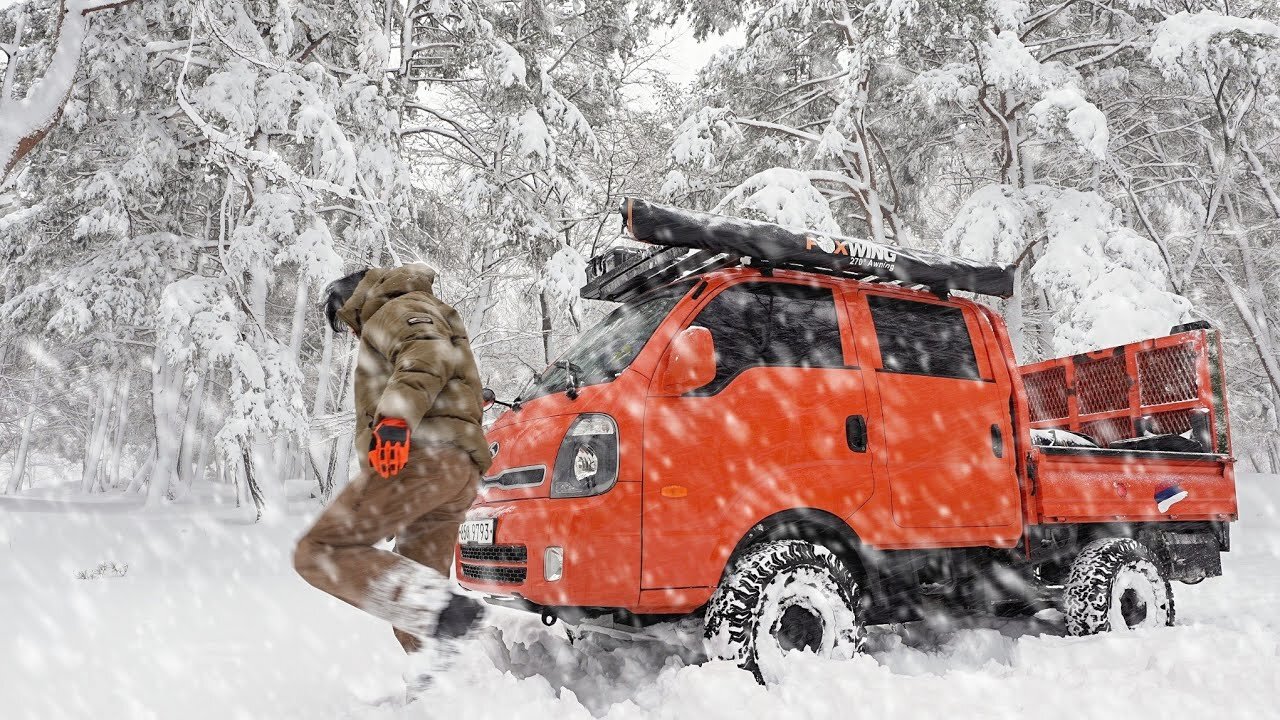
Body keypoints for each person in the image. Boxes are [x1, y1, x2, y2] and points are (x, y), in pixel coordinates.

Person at [294, 263, 493, 697]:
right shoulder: (424, 307)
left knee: (319, 551)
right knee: (416, 606)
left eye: (347, 323)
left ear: (352, 302)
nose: (352, 334)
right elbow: (440, 363)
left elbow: (427, 353)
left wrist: (395, 421)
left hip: (425, 458)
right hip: (456, 470)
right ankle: (444, 694)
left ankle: (444, 613)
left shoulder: (395, 305)